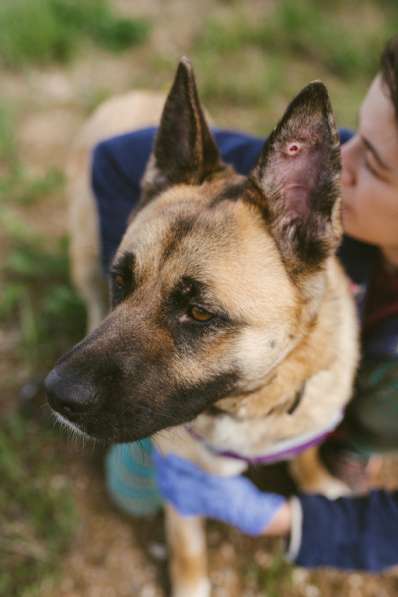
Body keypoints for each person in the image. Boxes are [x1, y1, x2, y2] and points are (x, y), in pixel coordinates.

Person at [95, 38, 398, 571]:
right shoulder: (308, 195)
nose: (336, 164)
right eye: (356, 135)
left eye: (372, 162)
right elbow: (115, 160)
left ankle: (347, 442)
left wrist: (278, 518)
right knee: (133, 492)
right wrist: (128, 289)